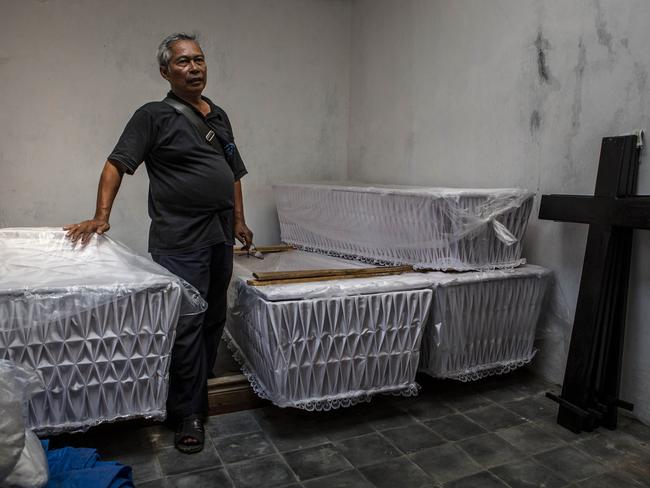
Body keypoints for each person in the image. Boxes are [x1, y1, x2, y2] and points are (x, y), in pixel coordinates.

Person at [64, 33, 253, 454]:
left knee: (212, 316)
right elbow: (117, 163)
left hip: (220, 233)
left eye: (199, 60)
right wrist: (101, 216)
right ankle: (186, 412)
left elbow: (233, 173)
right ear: (165, 71)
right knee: (186, 321)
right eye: (184, 62)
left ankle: (193, 385)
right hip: (179, 236)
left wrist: (239, 219)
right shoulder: (153, 115)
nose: (194, 68)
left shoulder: (218, 115)